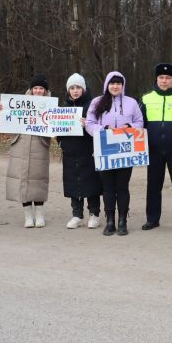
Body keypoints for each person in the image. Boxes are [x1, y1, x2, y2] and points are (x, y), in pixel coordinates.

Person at [85, 71, 143, 235]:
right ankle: (110, 220)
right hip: (105, 150)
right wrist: (104, 129)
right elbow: (89, 123)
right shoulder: (97, 102)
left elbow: (139, 121)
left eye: (118, 83)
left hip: (126, 151)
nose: (115, 86)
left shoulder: (131, 103)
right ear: (107, 85)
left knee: (122, 187)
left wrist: (130, 127)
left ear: (122, 86)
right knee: (108, 187)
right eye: (112, 83)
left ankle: (122, 220)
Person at [140, 64, 172, 232]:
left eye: (168, 78)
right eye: (161, 77)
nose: (164, 81)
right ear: (156, 79)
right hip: (153, 149)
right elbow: (140, 124)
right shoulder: (146, 98)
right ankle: (152, 219)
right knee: (153, 185)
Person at [5, 74, 52, 228]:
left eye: (41, 88)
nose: (38, 91)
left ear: (45, 91)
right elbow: (7, 119)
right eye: (35, 88)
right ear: (31, 90)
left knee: (38, 179)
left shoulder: (51, 105)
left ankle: (39, 214)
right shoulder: (19, 103)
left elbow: (57, 126)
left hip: (40, 144)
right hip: (20, 143)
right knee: (22, 179)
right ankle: (27, 215)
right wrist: (2, 109)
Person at [58, 73, 102, 231]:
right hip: (70, 151)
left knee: (92, 183)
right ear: (68, 90)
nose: (75, 91)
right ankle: (77, 214)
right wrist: (60, 141)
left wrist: (88, 124)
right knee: (73, 183)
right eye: (72, 88)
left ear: (83, 89)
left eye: (78, 87)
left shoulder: (93, 106)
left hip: (88, 150)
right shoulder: (63, 107)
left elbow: (99, 125)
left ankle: (94, 214)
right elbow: (58, 130)